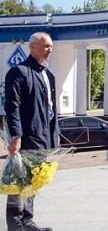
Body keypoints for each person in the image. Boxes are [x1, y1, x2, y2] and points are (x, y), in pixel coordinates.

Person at [3, 32, 59, 231]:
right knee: (19, 182)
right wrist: (16, 135)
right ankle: (16, 225)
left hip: (45, 137)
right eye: (45, 46)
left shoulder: (48, 74)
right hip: (28, 137)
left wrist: (55, 136)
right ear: (32, 47)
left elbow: (51, 109)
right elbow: (12, 105)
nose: (49, 50)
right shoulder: (19, 72)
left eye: (51, 46)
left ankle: (27, 221)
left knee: (34, 180)